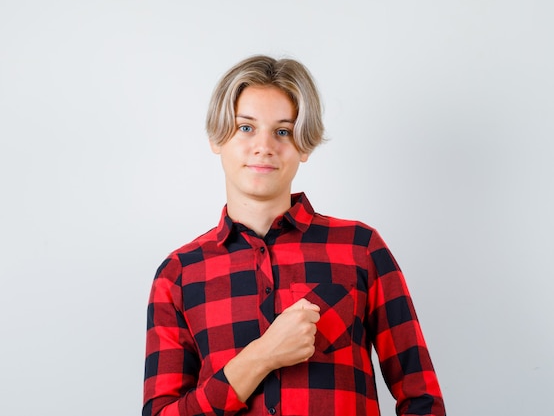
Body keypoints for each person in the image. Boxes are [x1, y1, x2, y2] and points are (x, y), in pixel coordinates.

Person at [143, 55, 446, 416]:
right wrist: (261, 356)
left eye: (283, 131)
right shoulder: (179, 273)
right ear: (217, 138)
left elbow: (421, 397)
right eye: (245, 127)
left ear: (304, 147)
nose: (264, 146)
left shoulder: (360, 248)